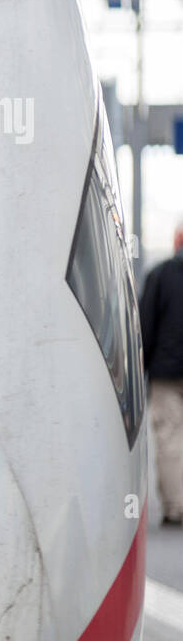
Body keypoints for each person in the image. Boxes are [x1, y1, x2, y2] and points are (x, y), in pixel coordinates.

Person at [141, 222, 183, 525]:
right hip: (166, 368)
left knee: (170, 437)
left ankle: (176, 506)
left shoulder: (161, 275)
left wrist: (144, 368)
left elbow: (145, 325)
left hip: (167, 373)